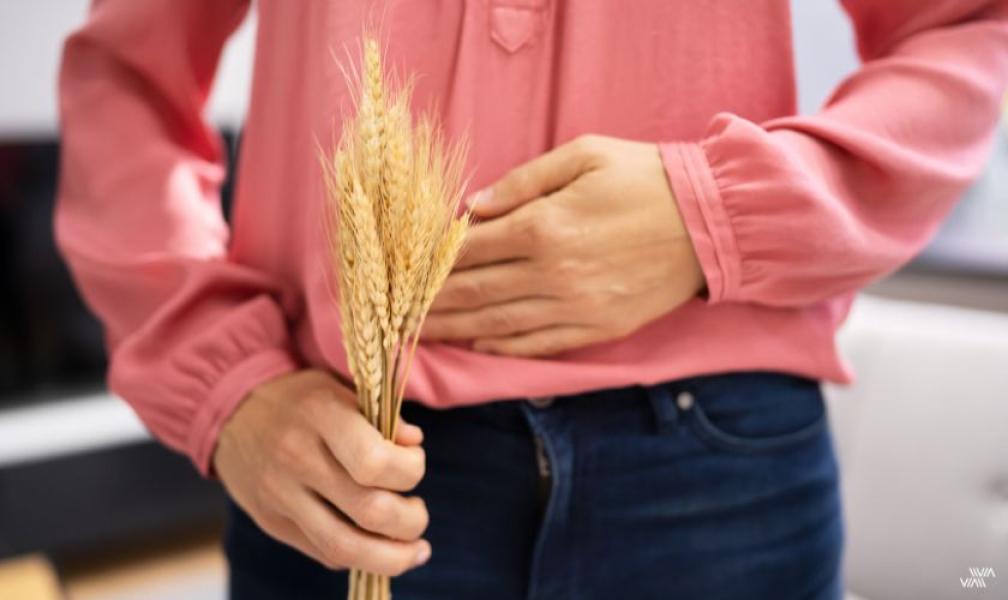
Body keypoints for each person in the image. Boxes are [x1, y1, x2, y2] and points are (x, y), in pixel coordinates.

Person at [56, 1, 1008, 598]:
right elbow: (126, 75)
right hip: (348, 472)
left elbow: (971, 26)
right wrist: (225, 385)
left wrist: (714, 212)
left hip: (718, 475)